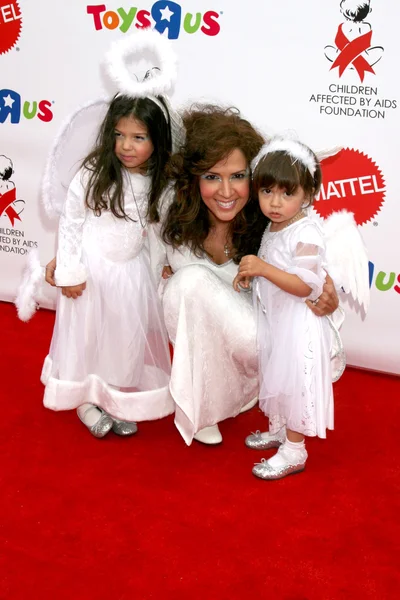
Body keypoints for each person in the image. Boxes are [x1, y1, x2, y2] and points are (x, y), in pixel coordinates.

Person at [148, 106, 339, 446]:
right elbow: (137, 255)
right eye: (211, 177)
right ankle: (205, 405)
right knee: (181, 286)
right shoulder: (172, 212)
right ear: (194, 179)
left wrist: (329, 295)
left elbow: (315, 273)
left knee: (188, 282)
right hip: (209, 342)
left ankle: (251, 388)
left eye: (237, 176)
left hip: (262, 345)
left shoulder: (273, 216)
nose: (226, 191)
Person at [41, 94, 174, 438]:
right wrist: (69, 269)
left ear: (157, 141)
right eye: (119, 135)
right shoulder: (93, 173)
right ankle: (86, 401)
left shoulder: (159, 181)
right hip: (91, 272)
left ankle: (115, 398)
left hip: (130, 273)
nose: (126, 146)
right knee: (87, 337)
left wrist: (163, 265)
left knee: (124, 336)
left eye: (138, 137)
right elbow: (71, 222)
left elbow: (155, 232)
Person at [234, 138, 337, 479]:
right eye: (267, 192)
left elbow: (306, 285)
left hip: (300, 325)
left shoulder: (307, 231)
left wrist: (263, 270)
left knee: (295, 384)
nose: (274, 203)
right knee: (276, 376)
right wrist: (253, 277)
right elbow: (273, 270)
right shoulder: (274, 226)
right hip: (277, 321)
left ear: (307, 195)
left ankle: (294, 450)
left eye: (286, 193)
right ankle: (279, 430)